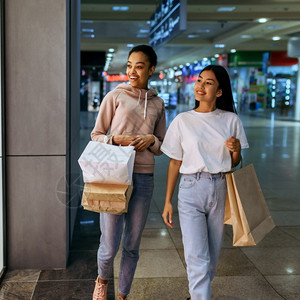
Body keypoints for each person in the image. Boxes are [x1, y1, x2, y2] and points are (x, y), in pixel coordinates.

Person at [160, 65, 248, 300]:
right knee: (196, 256)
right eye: (199, 80)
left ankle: (197, 293)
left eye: (208, 82)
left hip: (220, 188)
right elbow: (174, 163)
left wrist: (236, 151)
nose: (200, 86)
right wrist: (167, 201)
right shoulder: (182, 120)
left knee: (211, 256)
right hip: (190, 188)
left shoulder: (231, 120)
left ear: (219, 91)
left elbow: (234, 162)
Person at [91, 45, 166, 300]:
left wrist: (151, 141)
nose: (132, 71)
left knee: (132, 245)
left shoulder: (158, 103)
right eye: (129, 65)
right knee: (110, 246)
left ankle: (123, 295)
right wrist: (115, 140)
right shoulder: (114, 96)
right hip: (113, 174)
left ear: (151, 69)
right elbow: (96, 135)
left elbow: (162, 145)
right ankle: (102, 280)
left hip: (144, 177)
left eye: (139, 66)